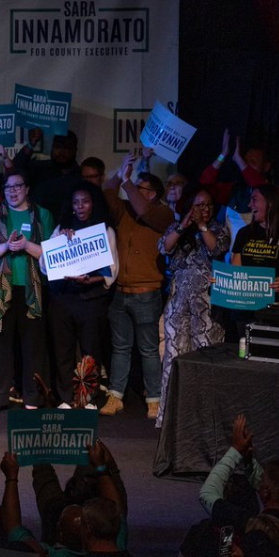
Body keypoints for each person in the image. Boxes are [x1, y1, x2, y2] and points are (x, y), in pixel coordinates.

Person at [99, 155, 174, 419]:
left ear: (152, 194)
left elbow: (144, 211)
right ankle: (116, 396)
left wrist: (129, 181)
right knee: (120, 348)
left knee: (149, 349)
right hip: (120, 292)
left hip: (147, 293)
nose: (130, 191)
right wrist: (121, 173)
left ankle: (154, 399)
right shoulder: (124, 211)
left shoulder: (163, 214)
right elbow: (106, 191)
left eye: (140, 189)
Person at [0, 172, 54, 410]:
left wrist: (26, 245)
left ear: (27, 189)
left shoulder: (43, 214)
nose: (12, 191)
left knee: (33, 344)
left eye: (17, 186)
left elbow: (52, 254)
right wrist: (8, 246)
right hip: (1, 286)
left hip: (33, 288)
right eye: (8, 187)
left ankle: (33, 397)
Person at [156, 188, 230, 426]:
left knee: (205, 355)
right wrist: (182, 226)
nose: (204, 209)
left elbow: (216, 249)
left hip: (206, 302)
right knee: (174, 356)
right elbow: (164, 248)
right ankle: (171, 417)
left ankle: (207, 418)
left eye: (208, 205)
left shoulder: (218, 229)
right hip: (178, 301)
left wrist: (201, 226)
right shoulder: (178, 227)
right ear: (190, 207)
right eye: (199, 205)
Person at [42, 182, 119, 410]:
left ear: (93, 203)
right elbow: (46, 265)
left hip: (91, 300)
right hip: (63, 299)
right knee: (63, 352)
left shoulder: (105, 231)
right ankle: (66, 398)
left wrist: (89, 279)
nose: (80, 206)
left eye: (85, 201)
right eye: (76, 202)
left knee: (90, 352)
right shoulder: (62, 229)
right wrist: (60, 242)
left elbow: (111, 272)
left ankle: (88, 398)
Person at [231, 183, 279, 300]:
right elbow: (236, 270)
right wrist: (220, 281)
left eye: (254, 200)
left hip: (278, 304)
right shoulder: (244, 233)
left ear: (270, 203)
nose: (249, 205)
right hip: (248, 303)